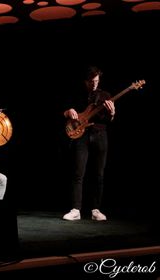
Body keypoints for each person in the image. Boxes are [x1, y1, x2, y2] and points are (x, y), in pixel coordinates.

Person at [62, 65, 115, 221]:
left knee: (98, 174)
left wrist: (112, 113)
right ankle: (75, 209)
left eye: (97, 81)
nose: (94, 84)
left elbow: (109, 120)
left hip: (100, 135)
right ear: (86, 82)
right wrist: (68, 111)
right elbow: (65, 112)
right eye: (91, 81)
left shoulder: (105, 95)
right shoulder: (77, 94)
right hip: (81, 136)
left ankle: (95, 210)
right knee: (78, 172)